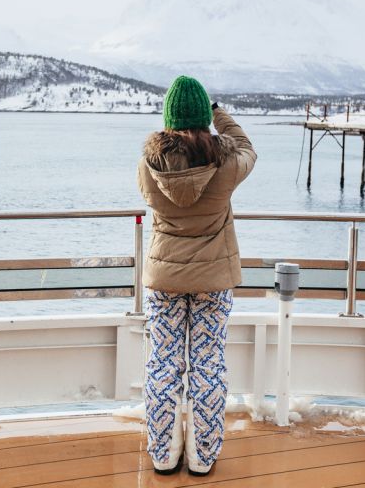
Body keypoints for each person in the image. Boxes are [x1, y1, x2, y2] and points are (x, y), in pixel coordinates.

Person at [137, 75, 256, 476]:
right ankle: (202, 454)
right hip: (213, 281)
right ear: (204, 116)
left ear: (168, 117)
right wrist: (220, 115)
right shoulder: (225, 164)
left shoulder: (148, 165)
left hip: (165, 280)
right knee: (208, 364)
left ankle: (163, 452)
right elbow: (248, 149)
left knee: (163, 363)